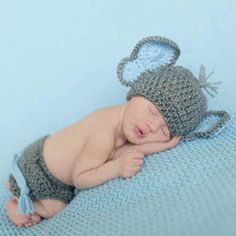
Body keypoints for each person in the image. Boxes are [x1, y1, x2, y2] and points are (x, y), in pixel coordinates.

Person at [5, 36, 230, 227]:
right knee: (57, 208)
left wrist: (164, 145)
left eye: (165, 128)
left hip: (53, 159)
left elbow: (127, 148)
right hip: (39, 173)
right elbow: (80, 178)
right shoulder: (103, 133)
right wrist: (116, 169)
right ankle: (18, 202)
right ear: (135, 93)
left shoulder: (125, 123)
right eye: (152, 109)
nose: (152, 125)